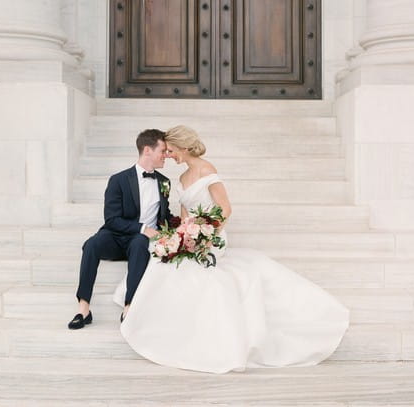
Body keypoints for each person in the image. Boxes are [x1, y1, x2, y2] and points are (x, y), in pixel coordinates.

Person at [112, 125, 349, 373]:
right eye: (166, 152)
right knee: (167, 263)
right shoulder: (181, 179)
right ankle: (152, 318)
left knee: (197, 273)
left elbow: (225, 208)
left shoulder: (207, 169)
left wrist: (207, 234)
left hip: (212, 235)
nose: (169, 156)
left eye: (171, 150)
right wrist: (181, 237)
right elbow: (184, 216)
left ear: (183, 146)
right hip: (191, 234)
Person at [68, 129, 173, 329]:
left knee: (140, 242)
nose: (166, 155)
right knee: (91, 244)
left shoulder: (164, 182)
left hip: (139, 242)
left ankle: (129, 306)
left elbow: (165, 216)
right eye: (163, 151)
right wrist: (143, 228)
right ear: (148, 150)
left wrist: (185, 225)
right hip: (116, 236)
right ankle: (83, 308)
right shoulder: (118, 180)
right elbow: (111, 219)